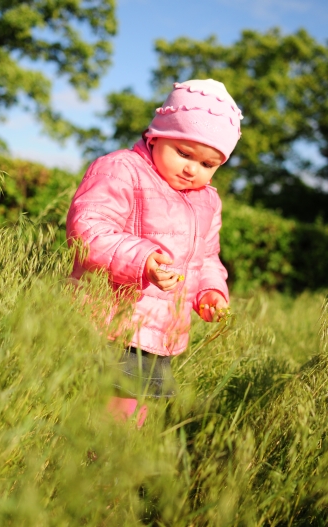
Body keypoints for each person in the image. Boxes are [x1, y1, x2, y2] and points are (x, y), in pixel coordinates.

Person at [66, 78, 243, 427]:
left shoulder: (208, 200)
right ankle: (99, 474)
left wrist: (210, 291)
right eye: (184, 153)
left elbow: (207, 256)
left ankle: (112, 471)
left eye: (208, 164)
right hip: (109, 321)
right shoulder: (122, 169)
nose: (193, 169)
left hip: (160, 331)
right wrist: (142, 258)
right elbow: (88, 229)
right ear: (156, 135)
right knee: (111, 411)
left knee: (138, 410)